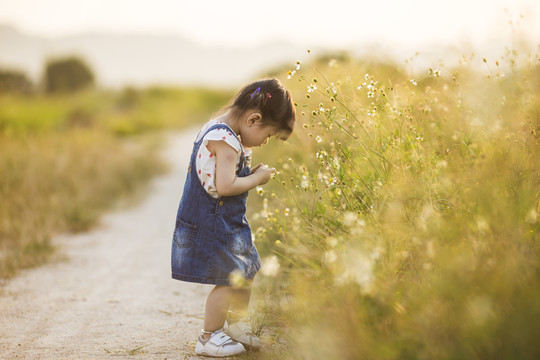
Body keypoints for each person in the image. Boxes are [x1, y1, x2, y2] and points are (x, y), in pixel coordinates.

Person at [171, 78, 296, 357]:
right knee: (229, 278)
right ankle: (208, 336)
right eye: (268, 135)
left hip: (227, 221)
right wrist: (257, 179)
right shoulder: (225, 140)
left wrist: (251, 174)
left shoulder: (225, 131)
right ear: (254, 119)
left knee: (247, 269)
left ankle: (237, 324)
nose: (264, 142)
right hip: (212, 222)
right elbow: (226, 186)